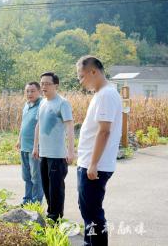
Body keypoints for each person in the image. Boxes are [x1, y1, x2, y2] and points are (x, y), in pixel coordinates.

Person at [76, 56, 122, 246]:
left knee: (93, 213)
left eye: (81, 76)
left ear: (93, 72)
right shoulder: (101, 94)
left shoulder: (106, 95)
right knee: (88, 210)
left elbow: (104, 131)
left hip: (95, 166)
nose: (80, 81)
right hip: (89, 163)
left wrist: (93, 164)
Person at [33, 72, 75, 222]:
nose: (44, 86)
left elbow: (69, 126)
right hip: (44, 153)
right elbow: (38, 125)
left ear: (56, 86)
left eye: (47, 84)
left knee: (56, 188)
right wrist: (35, 146)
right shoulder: (42, 102)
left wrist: (71, 151)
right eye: (42, 83)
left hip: (57, 155)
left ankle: (55, 217)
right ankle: (51, 214)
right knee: (46, 186)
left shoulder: (62, 103)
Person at [16, 81, 44, 205]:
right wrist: (19, 139)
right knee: (26, 177)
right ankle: (27, 200)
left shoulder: (42, 105)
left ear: (39, 91)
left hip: (35, 148)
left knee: (36, 178)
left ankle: (36, 203)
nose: (29, 93)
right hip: (24, 147)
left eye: (32, 91)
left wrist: (36, 146)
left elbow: (41, 127)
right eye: (27, 91)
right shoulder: (26, 105)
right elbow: (23, 124)